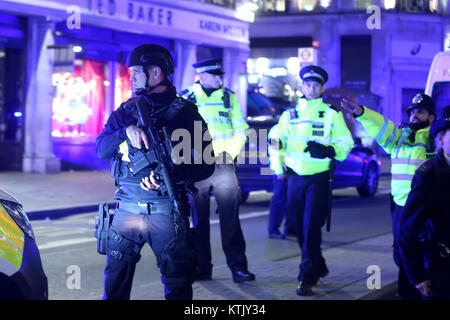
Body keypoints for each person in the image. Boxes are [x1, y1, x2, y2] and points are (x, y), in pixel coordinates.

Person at [95, 44, 214, 300]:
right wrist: (124, 132)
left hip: (166, 211)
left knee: (177, 283)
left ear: (156, 72)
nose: (132, 77)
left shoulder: (185, 113)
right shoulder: (126, 110)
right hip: (127, 207)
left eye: (137, 71)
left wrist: (170, 175)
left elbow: (207, 163)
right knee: (114, 284)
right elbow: (101, 149)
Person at [341, 93, 436, 299]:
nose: (413, 115)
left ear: (431, 117)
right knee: (402, 252)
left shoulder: (433, 138)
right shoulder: (399, 137)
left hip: (425, 206)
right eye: (411, 112)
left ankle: (424, 290)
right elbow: (381, 126)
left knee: (423, 252)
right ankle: (408, 292)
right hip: (401, 205)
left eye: (420, 111)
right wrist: (361, 113)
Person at [275, 65, 353, 295]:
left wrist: (330, 150)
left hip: (318, 178)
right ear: (302, 86)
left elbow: (346, 143)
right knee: (297, 226)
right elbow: (274, 140)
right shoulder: (289, 114)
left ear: (322, 88)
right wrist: (276, 166)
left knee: (310, 226)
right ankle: (317, 264)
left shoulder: (331, 113)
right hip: (294, 177)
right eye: (307, 85)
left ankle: (306, 276)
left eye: (315, 85)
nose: (311, 89)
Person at [179, 58, 255, 283]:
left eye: (220, 75)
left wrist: (229, 154)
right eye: (216, 76)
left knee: (230, 220)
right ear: (202, 77)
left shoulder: (228, 97)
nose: (221, 79)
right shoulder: (186, 98)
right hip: (196, 168)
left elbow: (241, 130)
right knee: (198, 221)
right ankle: (203, 268)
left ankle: (238, 268)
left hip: (223, 166)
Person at [397, 106, 450, 300]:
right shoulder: (428, 176)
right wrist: (418, 275)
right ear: (441, 139)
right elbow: (407, 230)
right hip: (442, 268)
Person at [267, 123, 295, 239]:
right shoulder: (276, 131)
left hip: (295, 169)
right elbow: (274, 153)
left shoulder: (296, 127)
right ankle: (273, 230)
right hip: (282, 171)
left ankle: (291, 229)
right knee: (279, 199)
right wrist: (279, 171)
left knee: (293, 201)